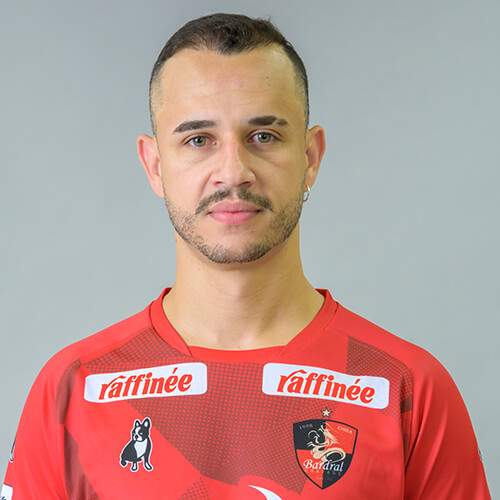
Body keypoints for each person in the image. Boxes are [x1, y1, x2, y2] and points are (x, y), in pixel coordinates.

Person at [2, 13, 491, 500]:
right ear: (154, 165)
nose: (233, 172)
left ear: (310, 158)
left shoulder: (409, 388)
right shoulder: (73, 389)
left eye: (263, 137)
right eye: (198, 140)